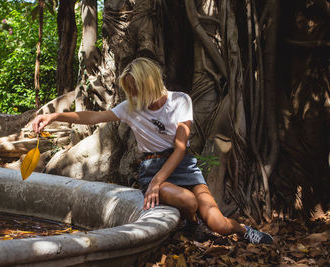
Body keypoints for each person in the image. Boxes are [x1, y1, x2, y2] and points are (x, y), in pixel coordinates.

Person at [32, 57, 273, 244]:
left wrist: (159, 182)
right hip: (152, 166)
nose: (133, 95)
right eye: (130, 90)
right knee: (188, 201)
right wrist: (55, 115)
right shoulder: (131, 107)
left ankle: (244, 230)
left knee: (218, 224)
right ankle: (191, 223)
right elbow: (94, 116)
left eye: (136, 88)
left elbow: (180, 147)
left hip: (183, 165)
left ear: (150, 82)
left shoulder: (180, 101)